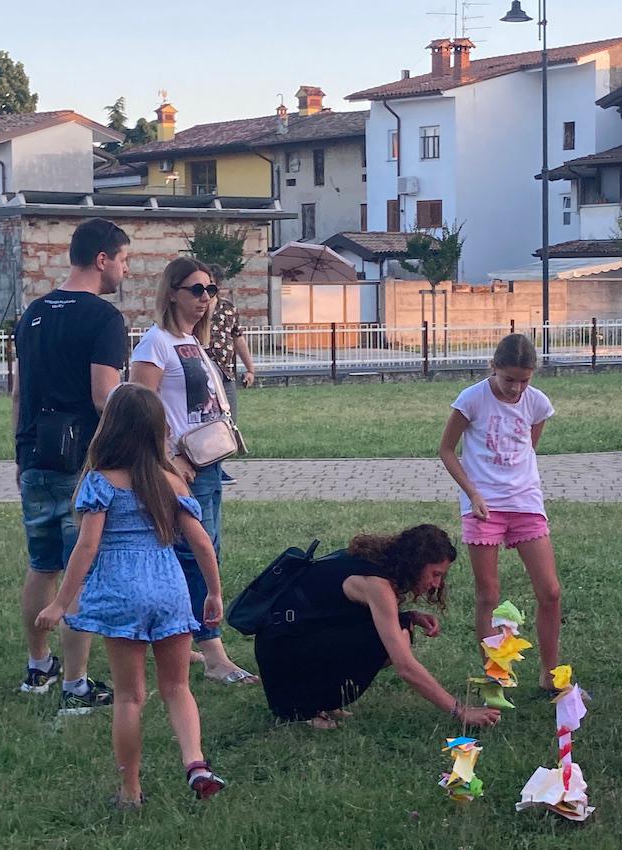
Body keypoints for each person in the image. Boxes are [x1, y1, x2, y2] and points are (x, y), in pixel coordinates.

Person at [34, 384, 227, 808]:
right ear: (158, 431)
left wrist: (60, 603)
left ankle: (130, 791)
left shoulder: (100, 482)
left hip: (122, 591)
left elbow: (86, 548)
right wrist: (213, 592)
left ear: (110, 428)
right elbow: (201, 542)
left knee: (129, 696)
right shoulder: (171, 481)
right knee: (177, 686)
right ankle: (195, 762)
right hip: (168, 587)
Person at [12, 217, 130, 712]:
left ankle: (38, 666)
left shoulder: (33, 313)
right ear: (102, 259)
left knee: (42, 564)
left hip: (33, 454)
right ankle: (76, 685)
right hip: (80, 460)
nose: (127, 269)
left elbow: (19, 393)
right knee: (78, 569)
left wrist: (17, 453)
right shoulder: (104, 319)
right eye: (124, 259)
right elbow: (105, 396)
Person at [130, 258, 255, 685]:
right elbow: (141, 410)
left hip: (208, 463)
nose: (206, 298)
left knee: (205, 551)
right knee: (197, 555)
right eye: (196, 290)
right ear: (171, 293)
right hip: (182, 467)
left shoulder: (192, 341)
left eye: (211, 290)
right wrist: (167, 462)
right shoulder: (156, 343)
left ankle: (184, 639)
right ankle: (214, 652)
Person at [253, 525, 501, 730]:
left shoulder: (374, 563)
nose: (436, 584)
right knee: (393, 640)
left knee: (401, 626)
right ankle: (301, 709)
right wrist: (461, 710)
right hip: (282, 654)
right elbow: (405, 666)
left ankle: (320, 701)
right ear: (415, 564)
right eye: (435, 574)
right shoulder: (376, 584)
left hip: (283, 642)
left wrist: (410, 615)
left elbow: (331, 612)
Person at [439, 334, 564, 691]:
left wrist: (518, 481)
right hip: (483, 506)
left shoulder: (537, 403)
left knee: (551, 591)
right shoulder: (471, 399)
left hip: (525, 501)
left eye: (524, 380)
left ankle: (549, 675)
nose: (516, 388)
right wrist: (473, 493)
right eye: (509, 379)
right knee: (489, 595)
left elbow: (528, 447)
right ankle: (495, 676)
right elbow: (447, 450)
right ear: (494, 368)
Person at [203, 265, 256, 487]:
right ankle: (208, 466)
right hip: (203, 373)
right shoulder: (196, 307)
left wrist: (250, 368)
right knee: (205, 421)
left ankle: (219, 466)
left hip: (226, 372)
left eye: (211, 285)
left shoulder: (228, 309)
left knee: (229, 419)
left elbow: (238, 338)